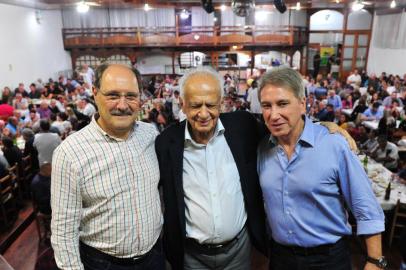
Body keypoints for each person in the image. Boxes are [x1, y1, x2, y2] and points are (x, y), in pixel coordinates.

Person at [257, 68, 386, 270]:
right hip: (281, 258)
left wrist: (376, 261)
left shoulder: (334, 144)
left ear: (302, 104)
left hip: (328, 259)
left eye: (282, 103)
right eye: (266, 105)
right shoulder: (262, 148)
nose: (274, 114)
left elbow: (366, 207)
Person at [51, 64, 164, 270]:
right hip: (103, 263)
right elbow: (63, 230)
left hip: (154, 256)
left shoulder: (150, 135)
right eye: (112, 95)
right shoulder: (69, 153)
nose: (122, 105)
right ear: (95, 94)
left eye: (131, 96)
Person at [155, 67, 268, 270]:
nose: (204, 114)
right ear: (182, 104)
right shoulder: (166, 143)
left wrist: (326, 127)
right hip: (191, 257)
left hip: (239, 251)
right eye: (196, 105)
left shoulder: (244, 127)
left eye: (211, 105)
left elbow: (283, 131)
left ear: (222, 103)